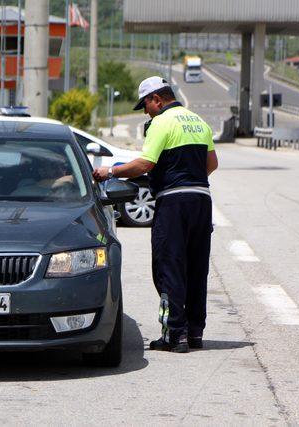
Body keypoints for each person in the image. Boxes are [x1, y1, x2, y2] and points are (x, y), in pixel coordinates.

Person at [93, 76, 218, 353]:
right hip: (202, 200)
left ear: (157, 100)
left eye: (146, 105)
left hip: (173, 203)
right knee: (197, 268)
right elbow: (212, 163)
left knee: (169, 267)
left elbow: (145, 164)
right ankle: (195, 333)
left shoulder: (161, 122)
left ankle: (176, 334)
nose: (146, 111)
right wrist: (190, 179)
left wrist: (110, 171)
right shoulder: (198, 121)